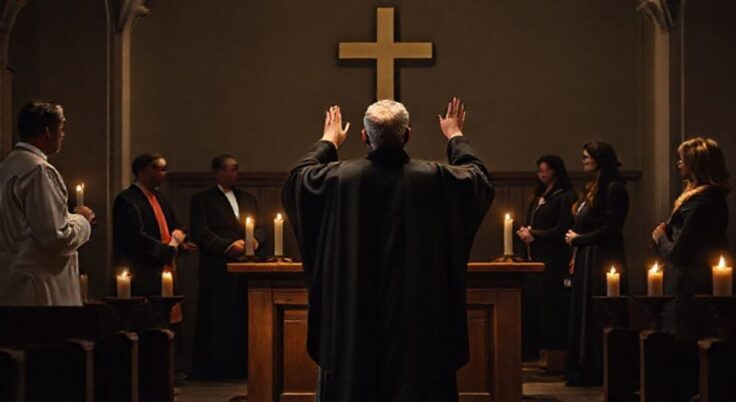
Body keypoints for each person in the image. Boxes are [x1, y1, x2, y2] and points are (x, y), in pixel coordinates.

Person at [282, 98, 494, 402]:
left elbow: (297, 182)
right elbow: (478, 179)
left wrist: (328, 142)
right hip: (417, 331)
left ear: (364, 137)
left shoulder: (338, 179)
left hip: (353, 331)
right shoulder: (434, 178)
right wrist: (455, 136)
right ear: (407, 135)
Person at [0, 101, 96, 306]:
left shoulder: (7, 166)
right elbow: (55, 237)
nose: (63, 135)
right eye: (61, 129)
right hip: (40, 288)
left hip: (11, 282)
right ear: (47, 132)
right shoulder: (39, 171)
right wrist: (82, 221)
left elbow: (28, 224)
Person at [190, 154, 267, 379]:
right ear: (217, 172)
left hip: (246, 266)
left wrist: (255, 241)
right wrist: (227, 246)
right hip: (217, 268)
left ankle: (242, 366)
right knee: (217, 318)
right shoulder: (202, 199)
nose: (235, 173)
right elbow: (201, 232)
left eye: (236, 169)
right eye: (230, 169)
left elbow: (261, 227)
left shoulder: (248, 198)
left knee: (242, 316)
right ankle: (214, 368)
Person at [564, 141, 628, 386]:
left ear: (600, 159)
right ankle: (582, 365)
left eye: (587, 157)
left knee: (598, 313)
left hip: (602, 259)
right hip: (586, 257)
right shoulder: (594, 187)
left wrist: (579, 240)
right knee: (583, 312)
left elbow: (611, 229)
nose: (584, 161)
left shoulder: (614, 189)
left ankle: (599, 367)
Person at [652, 137, 729, 339]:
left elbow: (679, 254)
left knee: (682, 340)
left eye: (683, 160)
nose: (679, 164)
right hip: (690, 281)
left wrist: (661, 237)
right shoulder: (708, 199)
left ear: (696, 165)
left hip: (688, 285)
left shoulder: (700, 204)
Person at [517, 155, 576, 369]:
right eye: (539, 170)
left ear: (556, 171)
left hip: (554, 258)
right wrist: (525, 232)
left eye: (546, 170)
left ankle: (555, 355)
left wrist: (535, 234)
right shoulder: (539, 196)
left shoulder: (565, 196)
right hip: (536, 256)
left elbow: (561, 229)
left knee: (552, 306)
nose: (542, 174)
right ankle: (535, 351)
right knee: (535, 304)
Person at [113, 153, 197, 296]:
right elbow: (135, 237)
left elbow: (175, 226)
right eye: (157, 168)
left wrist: (181, 243)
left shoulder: (160, 197)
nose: (162, 173)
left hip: (165, 268)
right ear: (141, 171)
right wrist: (168, 250)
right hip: (143, 270)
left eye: (164, 169)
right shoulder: (127, 199)